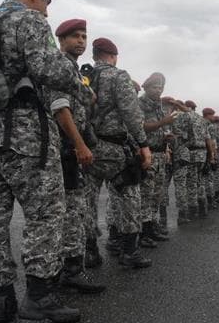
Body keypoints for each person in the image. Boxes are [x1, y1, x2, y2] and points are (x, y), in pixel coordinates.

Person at [0, 0, 95, 322]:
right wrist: (80, 82)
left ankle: (3, 300)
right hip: (24, 133)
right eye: (46, 4)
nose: (46, 14)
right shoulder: (26, 20)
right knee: (46, 213)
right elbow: (48, 69)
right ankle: (39, 297)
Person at [85, 37, 152, 269]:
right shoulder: (118, 76)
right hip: (113, 149)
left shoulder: (83, 78)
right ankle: (129, 251)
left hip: (87, 148)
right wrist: (143, 144)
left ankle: (90, 252)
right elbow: (131, 115)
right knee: (129, 196)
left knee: (87, 201)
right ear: (113, 56)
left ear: (95, 56)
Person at [53, 19, 105, 293]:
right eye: (74, 36)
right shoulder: (61, 65)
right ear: (61, 40)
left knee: (74, 210)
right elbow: (61, 109)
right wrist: (79, 144)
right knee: (69, 211)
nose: (81, 41)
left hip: (72, 149)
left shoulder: (72, 69)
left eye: (84, 36)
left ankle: (70, 269)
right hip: (66, 149)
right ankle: (67, 274)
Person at [138, 73, 173, 241]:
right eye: (155, 87)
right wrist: (163, 123)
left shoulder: (158, 105)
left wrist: (166, 136)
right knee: (146, 193)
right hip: (148, 153)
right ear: (146, 87)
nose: (158, 90)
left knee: (157, 193)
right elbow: (140, 127)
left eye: (161, 87)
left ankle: (152, 225)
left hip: (160, 153)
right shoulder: (140, 103)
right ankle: (144, 230)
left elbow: (160, 128)